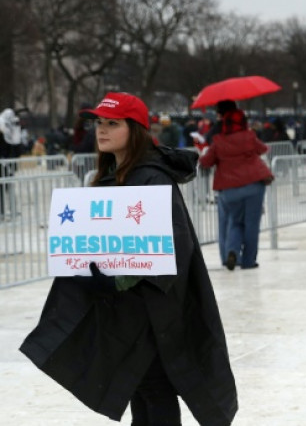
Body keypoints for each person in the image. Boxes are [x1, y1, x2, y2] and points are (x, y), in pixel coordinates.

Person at [20, 91, 238, 425]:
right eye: (98, 123)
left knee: (153, 388)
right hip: (125, 311)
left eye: (112, 123)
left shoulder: (152, 178)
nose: (101, 130)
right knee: (140, 389)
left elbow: (173, 251)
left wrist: (117, 277)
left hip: (151, 312)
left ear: (134, 129)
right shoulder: (114, 175)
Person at [199, 108, 274, 270]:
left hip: (229, 188)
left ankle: (232, 251)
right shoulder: (249, 136)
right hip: (254, 185)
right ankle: (248, 261)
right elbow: (263, 149)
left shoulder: (218, 140)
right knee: (252, 225)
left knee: (235, 222)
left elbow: (206, 162)